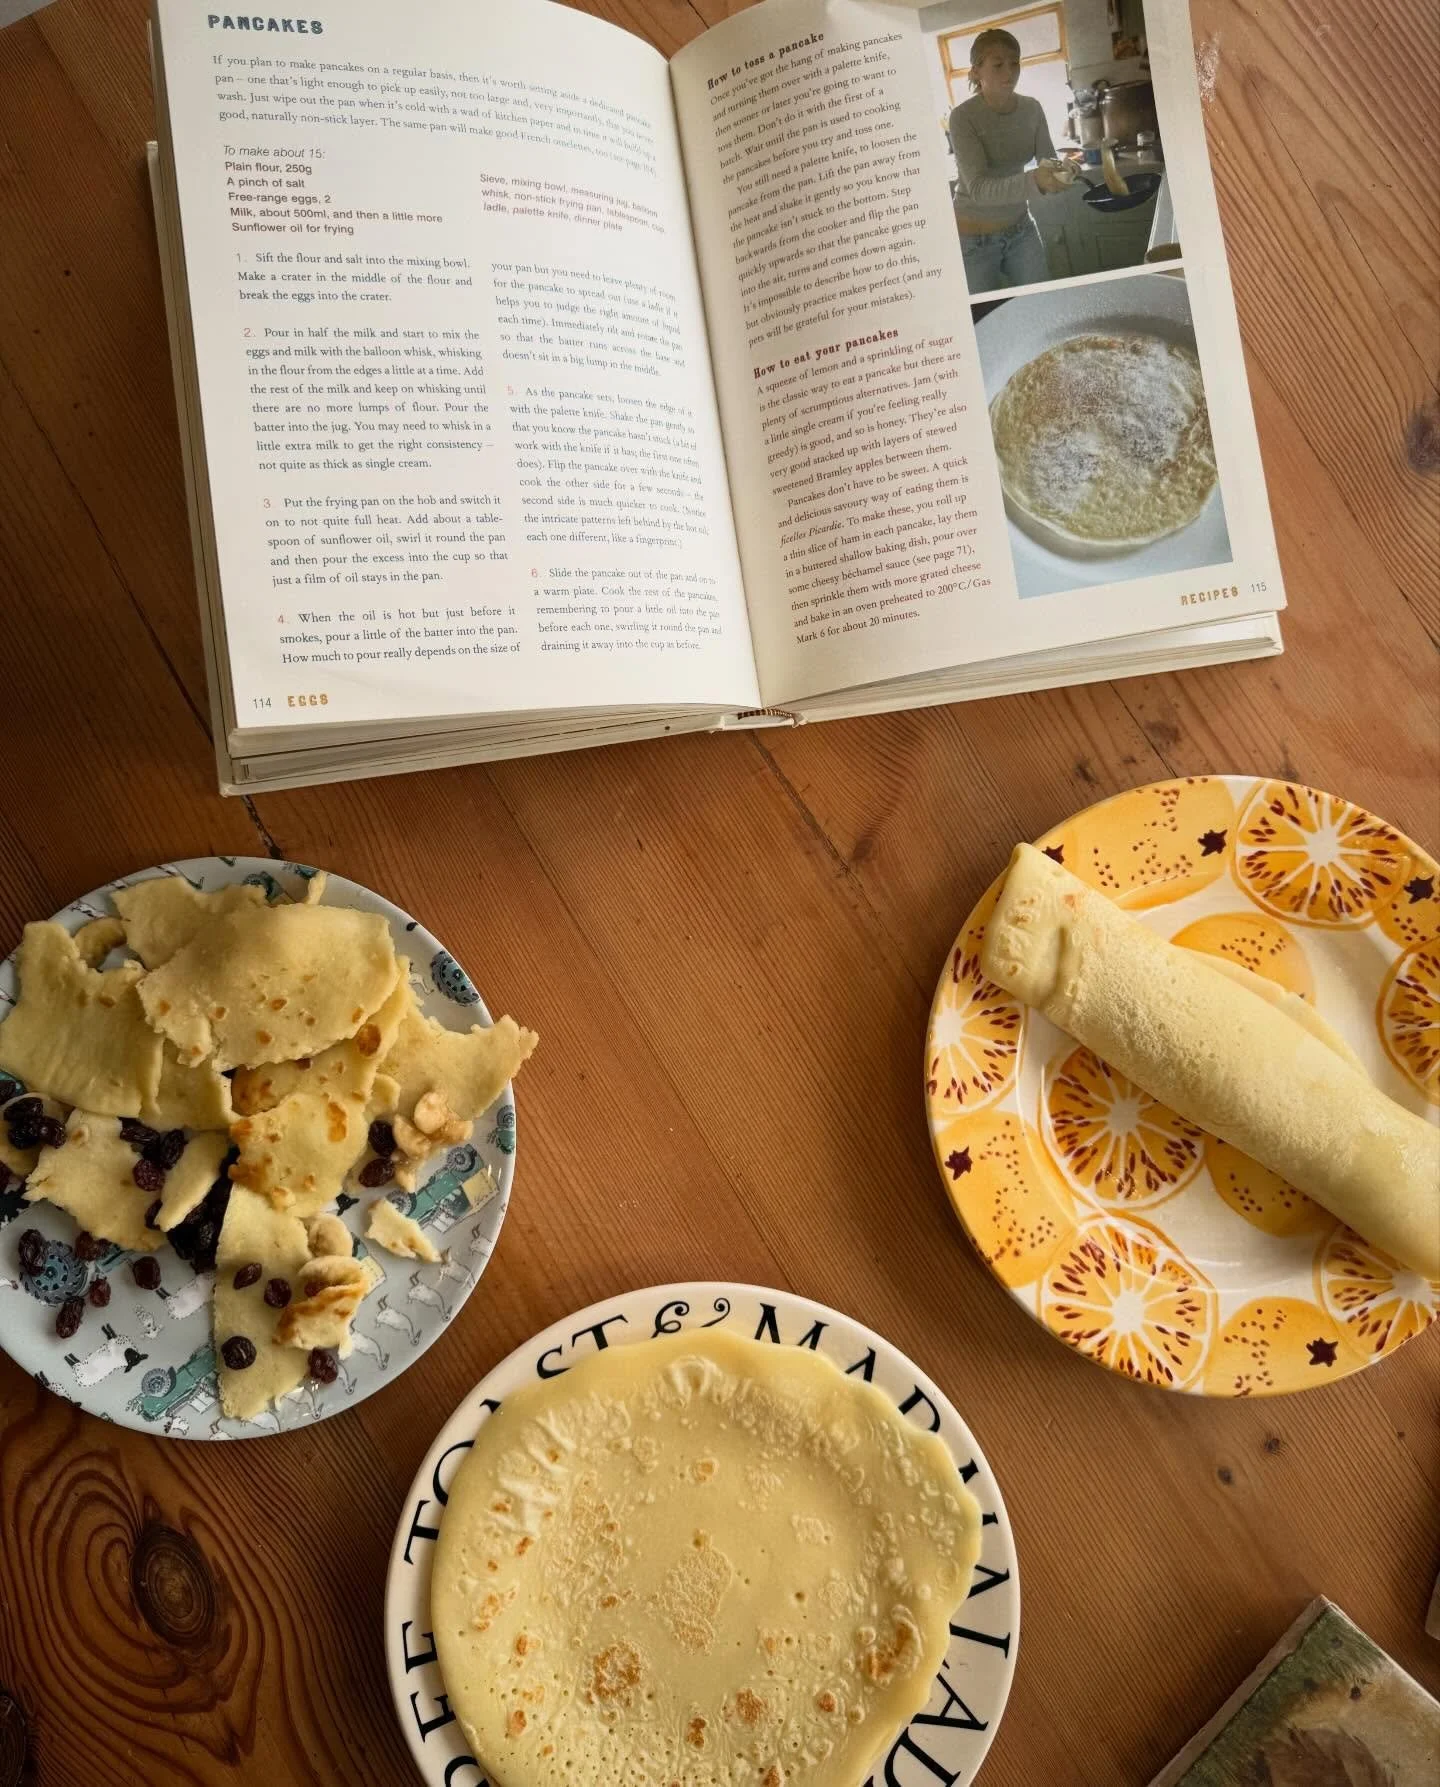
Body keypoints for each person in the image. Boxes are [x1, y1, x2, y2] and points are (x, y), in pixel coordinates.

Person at [948, 27, 1070, 293]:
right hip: (973, 239)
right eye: (998, 65)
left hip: (1021, 228)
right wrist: (1036, 181)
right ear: (976, 72)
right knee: (987, 312)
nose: (1009, 72)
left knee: (1042, 299)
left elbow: (1048, 161)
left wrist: (1064, 169)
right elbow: (978, 189)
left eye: (1014, 63)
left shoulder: (1032, 108)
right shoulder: (962, 117)